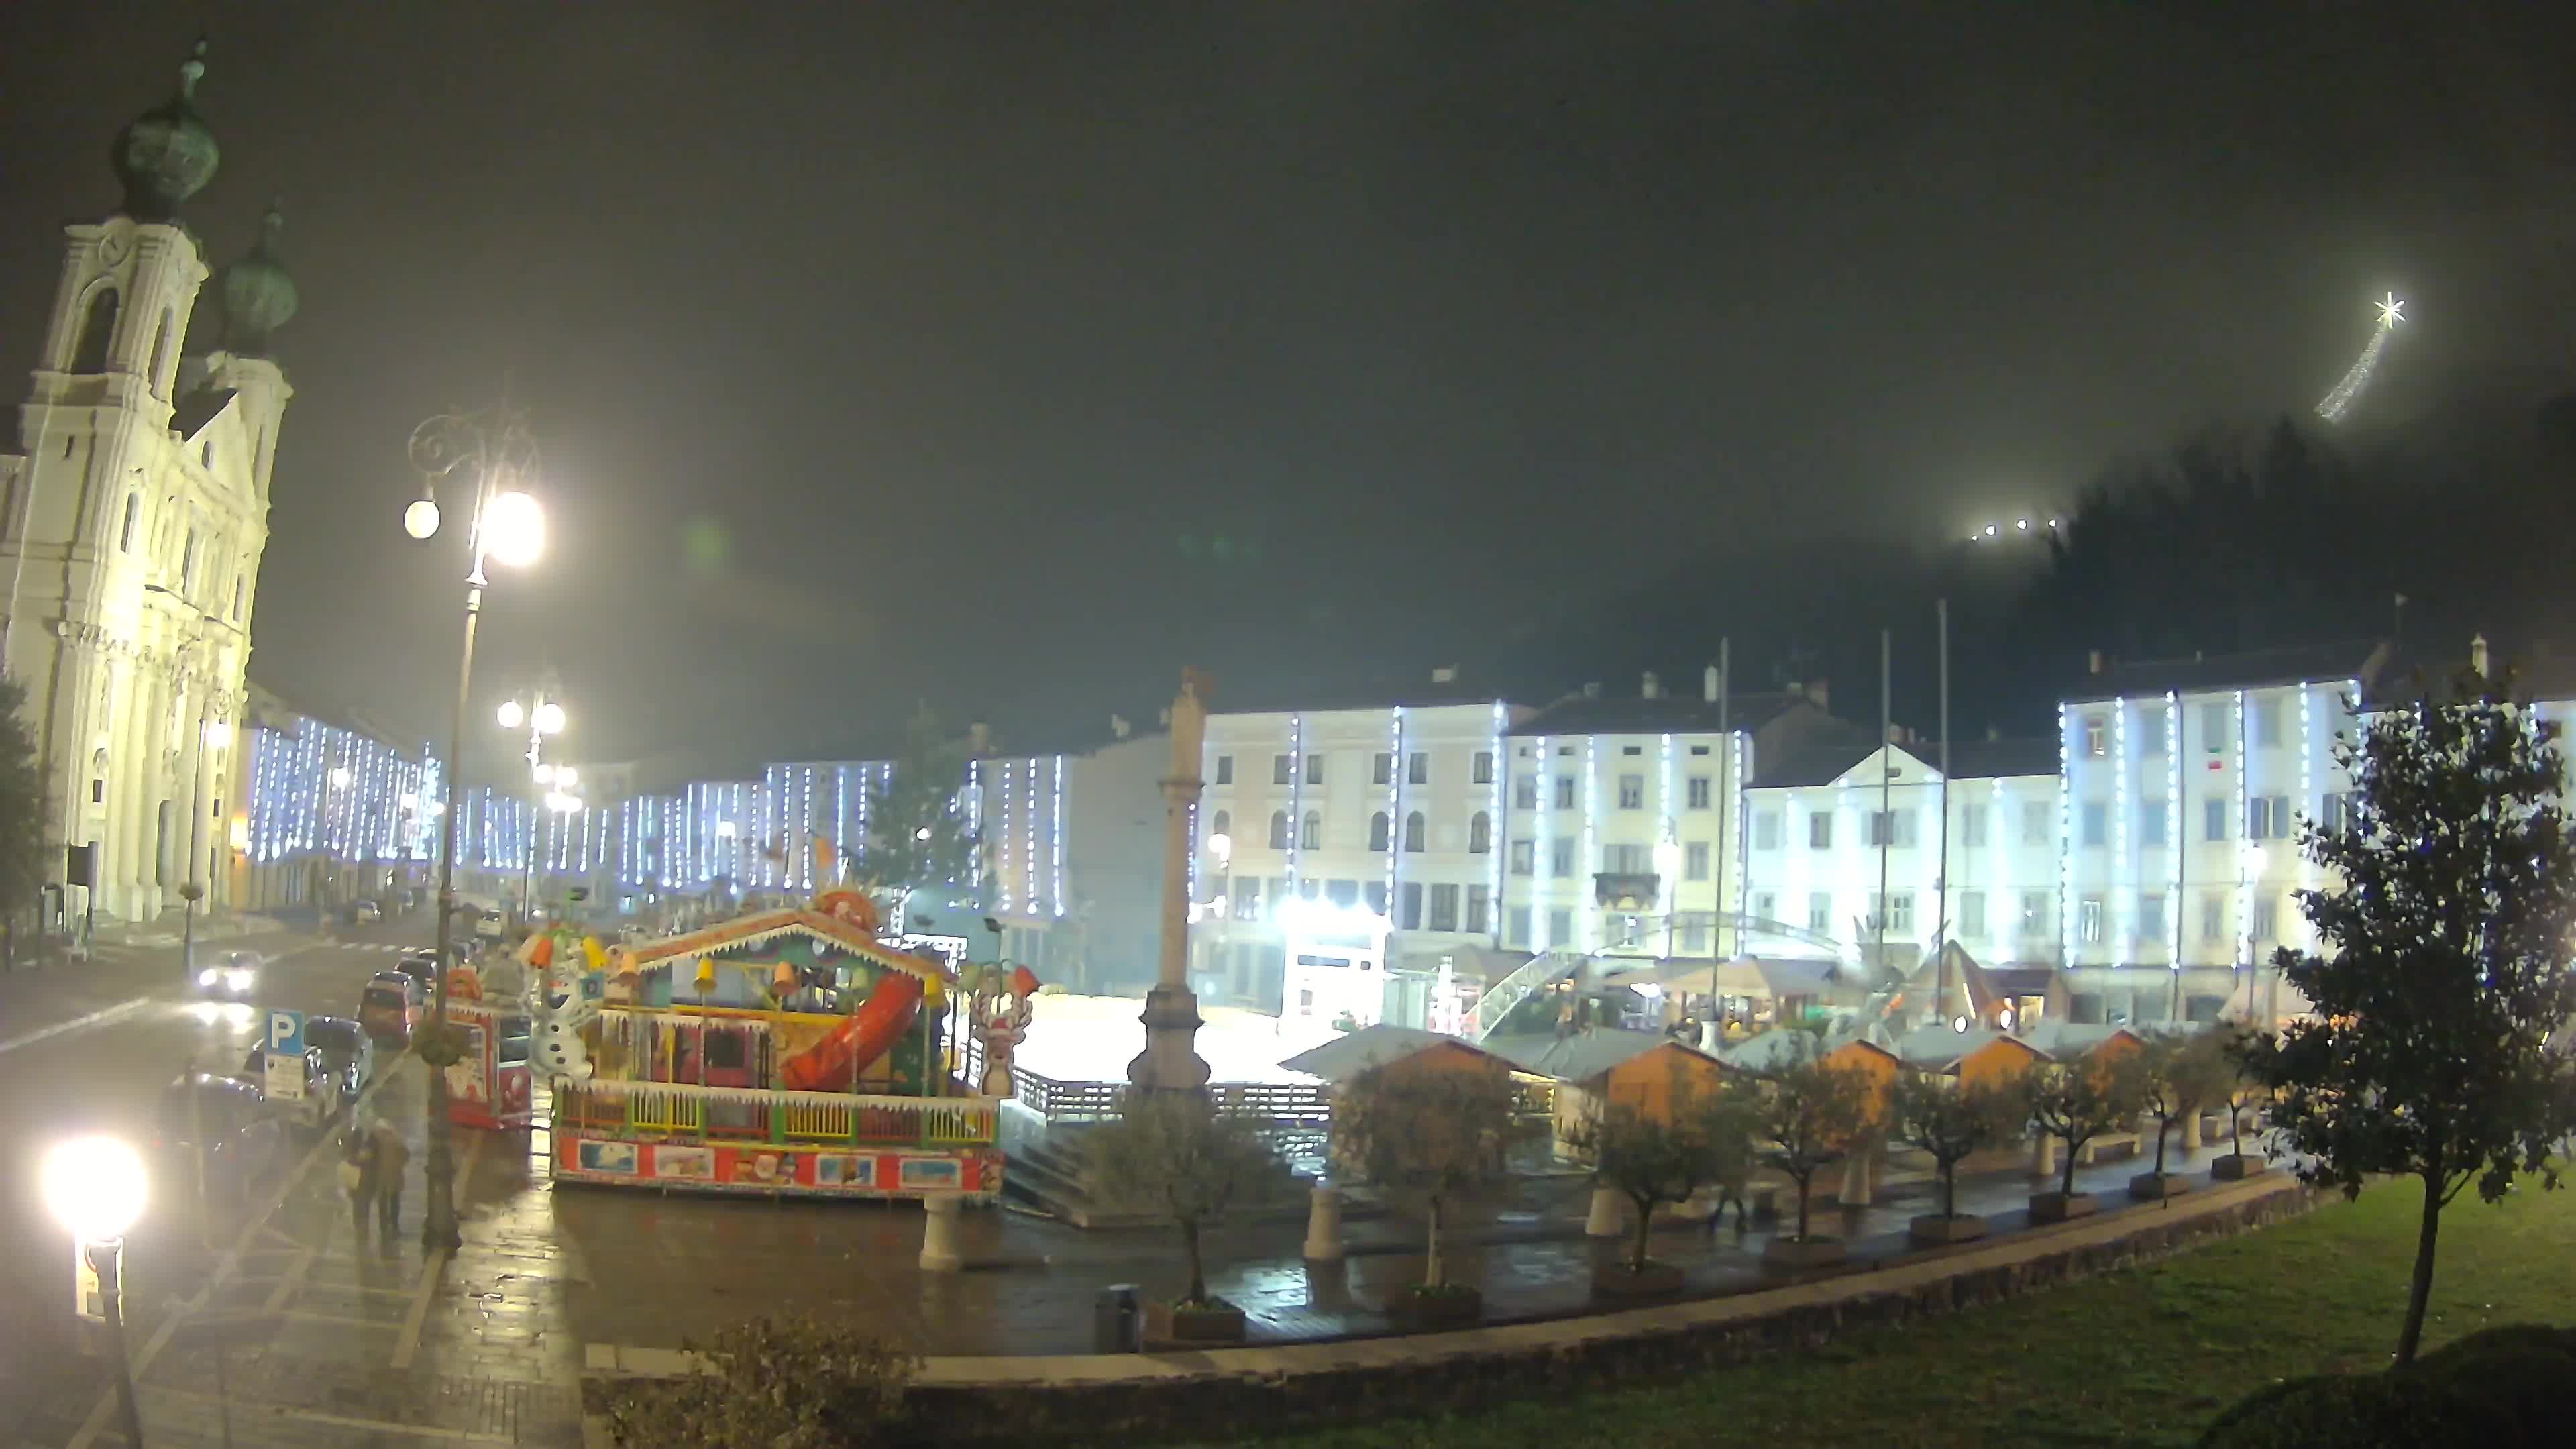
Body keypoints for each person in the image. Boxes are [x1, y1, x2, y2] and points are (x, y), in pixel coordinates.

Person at [370, 1118, 411, 1240]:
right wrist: (399, 1164)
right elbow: (406, 1155)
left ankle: (383, 1227)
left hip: (381, 1176)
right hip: (395, 1175)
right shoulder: (397, 1139)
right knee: (395, 1201)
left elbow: (370, 1158)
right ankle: (395, 1226)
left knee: (382, 1202)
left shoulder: (376, 1141)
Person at [341, 1126, 378, 1240]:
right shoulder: (366, 1153)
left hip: (357, 1187)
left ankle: (360, 1231)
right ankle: (363, 1231)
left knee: (358, 1210)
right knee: (364, 1210)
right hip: (366, 1187)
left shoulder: (353, 1153)